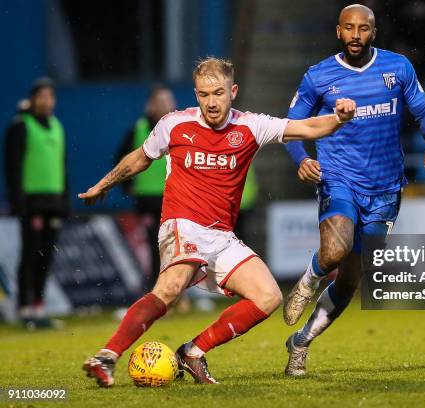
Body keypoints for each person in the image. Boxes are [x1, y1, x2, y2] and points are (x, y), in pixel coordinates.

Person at [80, 57, 356, 387]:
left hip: (222, 235)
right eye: (203, 94)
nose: (211, 102)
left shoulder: (251, 126)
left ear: (233, 91)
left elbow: (307, 128)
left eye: (218, 93)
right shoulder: (174, 124)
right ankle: (106, 356)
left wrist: (338, 118)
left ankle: (194, 351)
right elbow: (139, 158)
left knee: (268, 296)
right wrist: (102, 185)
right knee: (169, 288)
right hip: (182, 223)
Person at [282, 4, 425, 376]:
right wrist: (300, 159)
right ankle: (308, 280)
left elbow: (421, 111)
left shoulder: (398, 67)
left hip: (387, 187)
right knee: (335, 250)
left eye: (364, 28)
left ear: (373, 32)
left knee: (352, 279)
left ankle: (301, 342)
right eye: (349, 28)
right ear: (338, 32)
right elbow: (291, 126)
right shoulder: (319, 76)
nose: (356, 34)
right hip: (339, 178)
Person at [3, 78, 69, 329]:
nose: (47, 101)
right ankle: (24, 308)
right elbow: (13, 167)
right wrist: (18, 203)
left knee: (46, 257)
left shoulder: (57, 126)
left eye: (50, 96)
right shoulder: (21, 126)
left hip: (53, 201)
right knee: (29, 255)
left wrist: (65, 201)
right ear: (33, 99)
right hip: (31, 202)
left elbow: (61, 167)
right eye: (42, 96)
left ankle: (39, 308)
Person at [116, 85, 177, 291]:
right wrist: (128, 188)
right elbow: (122, 161)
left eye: (168, 101)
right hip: (148, 201)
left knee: (176, 246)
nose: (166, 105)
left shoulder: (179, 128)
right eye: (161, 102)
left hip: (175, 198)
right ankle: (156, 290)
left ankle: (176, 291)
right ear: (150, 106)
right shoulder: (138, 129)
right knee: (155, 245)